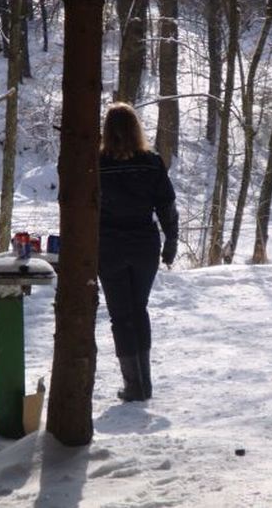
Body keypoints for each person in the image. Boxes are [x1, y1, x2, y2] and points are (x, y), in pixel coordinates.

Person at [98, 102, 179, 402]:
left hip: (109, 245)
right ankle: (145, 383)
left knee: (121, 315)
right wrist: (171, 240)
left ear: (107, 130)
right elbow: (166, 205)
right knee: (138, 309)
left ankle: (134, 385)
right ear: (136, 129)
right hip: (144, 244)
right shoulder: (152, 162)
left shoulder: (97, 164)